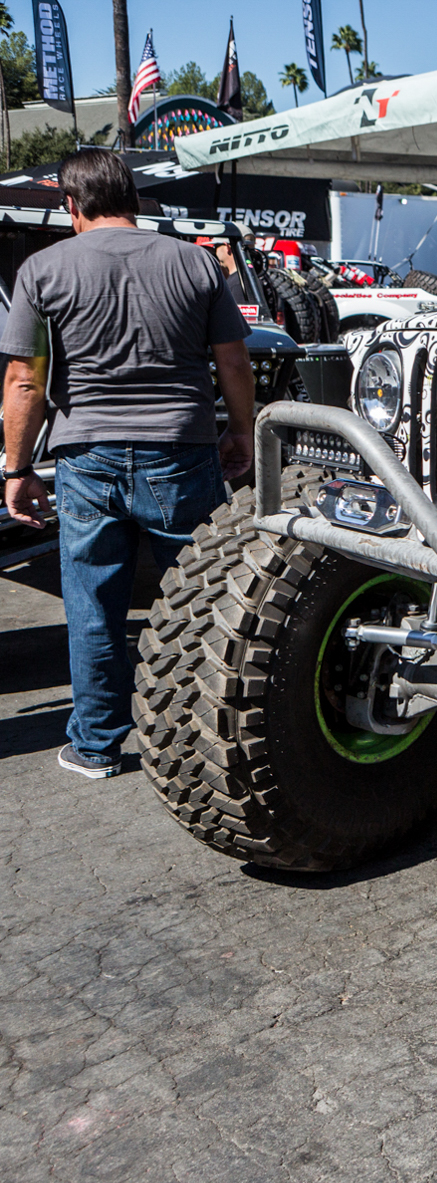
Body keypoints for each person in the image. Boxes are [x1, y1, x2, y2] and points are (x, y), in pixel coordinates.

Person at [0, 149, 254, 779]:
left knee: (94, 608)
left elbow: (24, 382)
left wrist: (16, 468)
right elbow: (234, 364)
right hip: (183, 453)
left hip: (87, 458)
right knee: (201, 601)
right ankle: (206, 740)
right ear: (136, 200)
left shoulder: (41, 270)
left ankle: (96, 746)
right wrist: (244, 431)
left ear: (71, 205)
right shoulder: (196, 264)